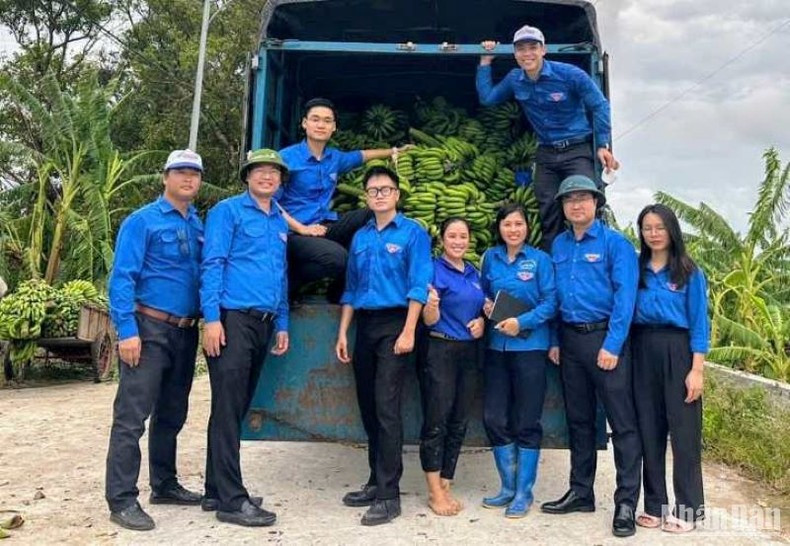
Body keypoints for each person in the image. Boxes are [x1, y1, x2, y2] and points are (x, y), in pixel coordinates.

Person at [105, 149, 205, 531]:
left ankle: (164, 484)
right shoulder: (142, 221)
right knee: (132, 417)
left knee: (172, 414)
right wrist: (127, 331)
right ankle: (121, 499)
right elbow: (122, 278)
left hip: (184, 331)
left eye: (194, 174)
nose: (188, 179)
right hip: (148, 329)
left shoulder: (197, 224)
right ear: (165, 177)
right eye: (180, 172)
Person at [540, 175, 641, 538]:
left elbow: (624, 298)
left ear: (596, 203)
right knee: (579, 421)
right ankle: (581, 491)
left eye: (584, 198)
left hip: (605, 340)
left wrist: (612, 346)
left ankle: (626, 502)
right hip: (570, 340)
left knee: (623, 424)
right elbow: (554, 298)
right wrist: (554, 339)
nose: (576, 204)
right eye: (570, 200)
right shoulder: (559, 247)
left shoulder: (616, 245)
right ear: (564, 208)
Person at [334, 165, 432, 526]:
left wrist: (408, 332)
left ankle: (390, 496)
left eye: (385, 189)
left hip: (396, 325)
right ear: (366, 196)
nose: (379, 194)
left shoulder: (412, 233)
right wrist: (343, 332)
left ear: (396, 195)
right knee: (369, 408)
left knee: (387, 408)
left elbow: (419, 285)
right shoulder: (360, 238)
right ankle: (375, 481)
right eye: (373, 190)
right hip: (365, 326)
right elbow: (351, 289)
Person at [200, 148, 290, 527]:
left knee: (233, 408)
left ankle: (214, 490)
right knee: (227, 406)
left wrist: (282, 321)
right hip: (232, 319)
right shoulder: (228, 211)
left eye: (274, 172)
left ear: (281, 180)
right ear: (248, 177)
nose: (267, 176)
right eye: (260, 171)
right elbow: (213, 263)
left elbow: (280, 274)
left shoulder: (278, 221)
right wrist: (211, 319)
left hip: (264, 322)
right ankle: (232, 502)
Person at [477, 25, 620, 252]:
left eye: (533, 47)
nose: (527, 54)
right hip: (546, 152)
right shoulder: (515, 79)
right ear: (515, 54)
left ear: (543, 50)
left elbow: (599, 106)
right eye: (521, 49)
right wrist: (485, 62)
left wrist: (602, 144)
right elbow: (488, 98)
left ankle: (591, 257)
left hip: (576, 150)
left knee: (582, 203)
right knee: (548, 211)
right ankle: (553, 265)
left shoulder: (570, 75)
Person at [279, 97, 411, 302]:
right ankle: (289, 278)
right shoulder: (286, 158)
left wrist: (394, 152)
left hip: (324, 227)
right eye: (315, 119)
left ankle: (338, 294)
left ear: (334, 127)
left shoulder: (335, 158)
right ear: (304, 123)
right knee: (338, 258)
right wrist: (301, 228)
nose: (321, 125)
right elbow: (271, 203)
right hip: (293, 234)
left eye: (327, 120)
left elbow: (361, 155)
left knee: (371, 214)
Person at [632, 204, 707, 533]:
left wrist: (697, 370)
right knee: (649, 430)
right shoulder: (636, 270)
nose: (653, 233)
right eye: (647, 228)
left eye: (660, 227)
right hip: (642, 349)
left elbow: (699, 323)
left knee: (684, 434)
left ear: (671, 230)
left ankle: (689, 509)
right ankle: (655, 505)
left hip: (679, 351)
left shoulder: (689, 271)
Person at [479, 203, 557, 518]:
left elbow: (551, 302)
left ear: (527, 227)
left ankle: (524, 493)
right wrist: (485, 306)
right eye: (507, 224)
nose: (513, 229)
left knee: (527, 420)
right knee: (494, 417)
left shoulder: (540, 261)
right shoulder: (490, 259)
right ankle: (507, 487)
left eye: (519, 224)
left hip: (530, 349)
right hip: (496, 350)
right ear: (500, 228)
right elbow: (482, 293)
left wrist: (521, 323)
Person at [419, 217, 486, 516]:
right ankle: (434, 492)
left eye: (463, 236)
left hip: (469, 352)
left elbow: (482, 307)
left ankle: (446, 483)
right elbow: (428, 320)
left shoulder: (474, 272)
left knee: (459, 420)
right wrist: (431, 307)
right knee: (437, 421)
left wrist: (482, 322)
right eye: (452, 236)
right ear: (442, 240)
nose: (458, 241)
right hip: (440, 349)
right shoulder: (433, 269)